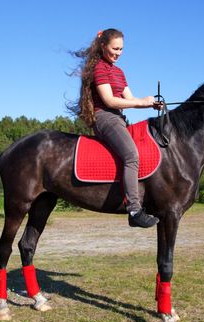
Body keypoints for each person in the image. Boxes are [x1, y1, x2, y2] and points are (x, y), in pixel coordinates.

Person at [71, 28, 160, 228]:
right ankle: (135, 210)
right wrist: (141, 103)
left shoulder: (119, 71)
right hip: (104, 118)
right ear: (103, 46)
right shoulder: (99, 68)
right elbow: (110, 101)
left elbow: (130, 99)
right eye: (115, 49)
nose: (118, 53)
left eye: (121, 49)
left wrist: (151, 103)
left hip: (119, 118)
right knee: (131, 155)